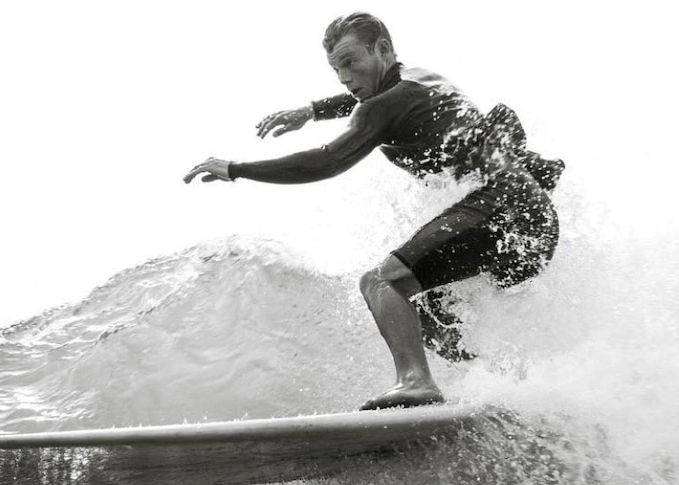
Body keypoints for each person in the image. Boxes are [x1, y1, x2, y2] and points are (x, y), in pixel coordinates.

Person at [184, 12, 563, 410]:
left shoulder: (384, 106)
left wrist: (236, 169)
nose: (344, 77)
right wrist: (311, 111)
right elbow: (367, 97)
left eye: (350, 62)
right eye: (335, 69)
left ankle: (415, 382)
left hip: (502, 205)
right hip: (530, 221)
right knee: (424, 310)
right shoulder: (419, 78)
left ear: (383, 48)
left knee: (381, 283)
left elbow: (326, 161)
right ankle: (498, 386)